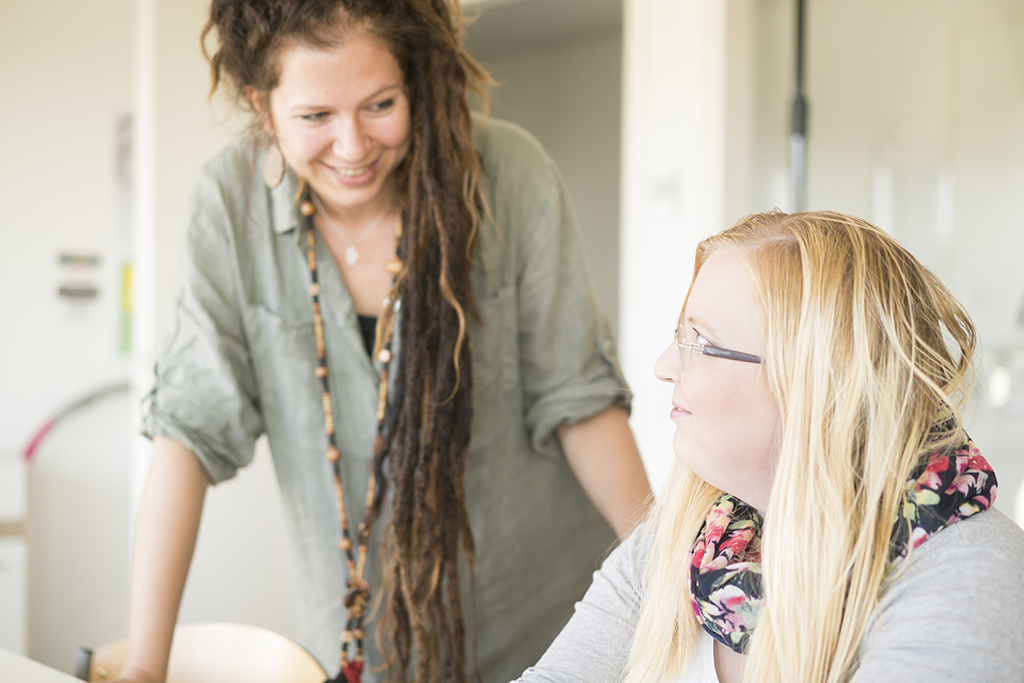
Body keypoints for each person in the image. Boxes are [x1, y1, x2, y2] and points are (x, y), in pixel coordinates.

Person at [116, 1, 652, 682]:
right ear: (262, 105)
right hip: (355, 650)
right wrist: (144, 663)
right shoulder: (230, 204)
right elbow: (186, 435)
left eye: (380, 104)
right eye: (315, 117)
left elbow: (580, 401)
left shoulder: (511, 175)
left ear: (415, 80)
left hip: (544, 632)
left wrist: (666, 578)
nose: (352, 146)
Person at [515, 210, 1024, 683]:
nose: (664, 366)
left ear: (815, 381)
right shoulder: (691, 540)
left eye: (698, 342)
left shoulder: (968, 574)